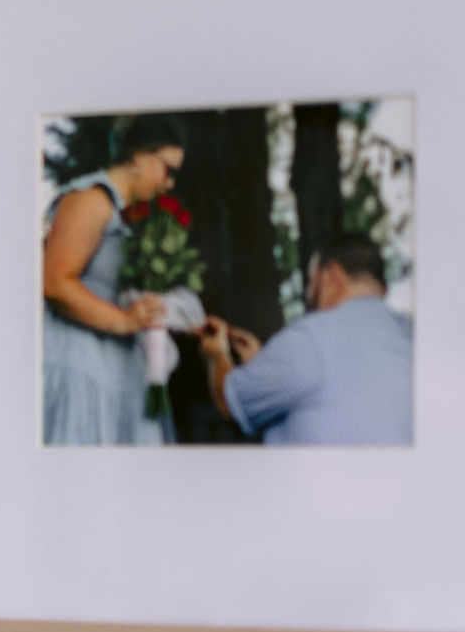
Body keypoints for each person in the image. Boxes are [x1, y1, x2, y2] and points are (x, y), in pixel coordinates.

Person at [41, 116, 187, 446]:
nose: (169, 184)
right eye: (168, 170)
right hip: (79, 366)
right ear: (139, 158)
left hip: (115, 370)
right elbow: (54, 282)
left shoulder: (128, 214)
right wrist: (123, 321)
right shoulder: (91, 198)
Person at [200, 236, 412, 445]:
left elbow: (231, 402)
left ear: (332, 274)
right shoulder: (410, 339)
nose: (308, 293)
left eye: (311, 281)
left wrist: (217, 355)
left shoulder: (314, 336)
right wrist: (262, 365)